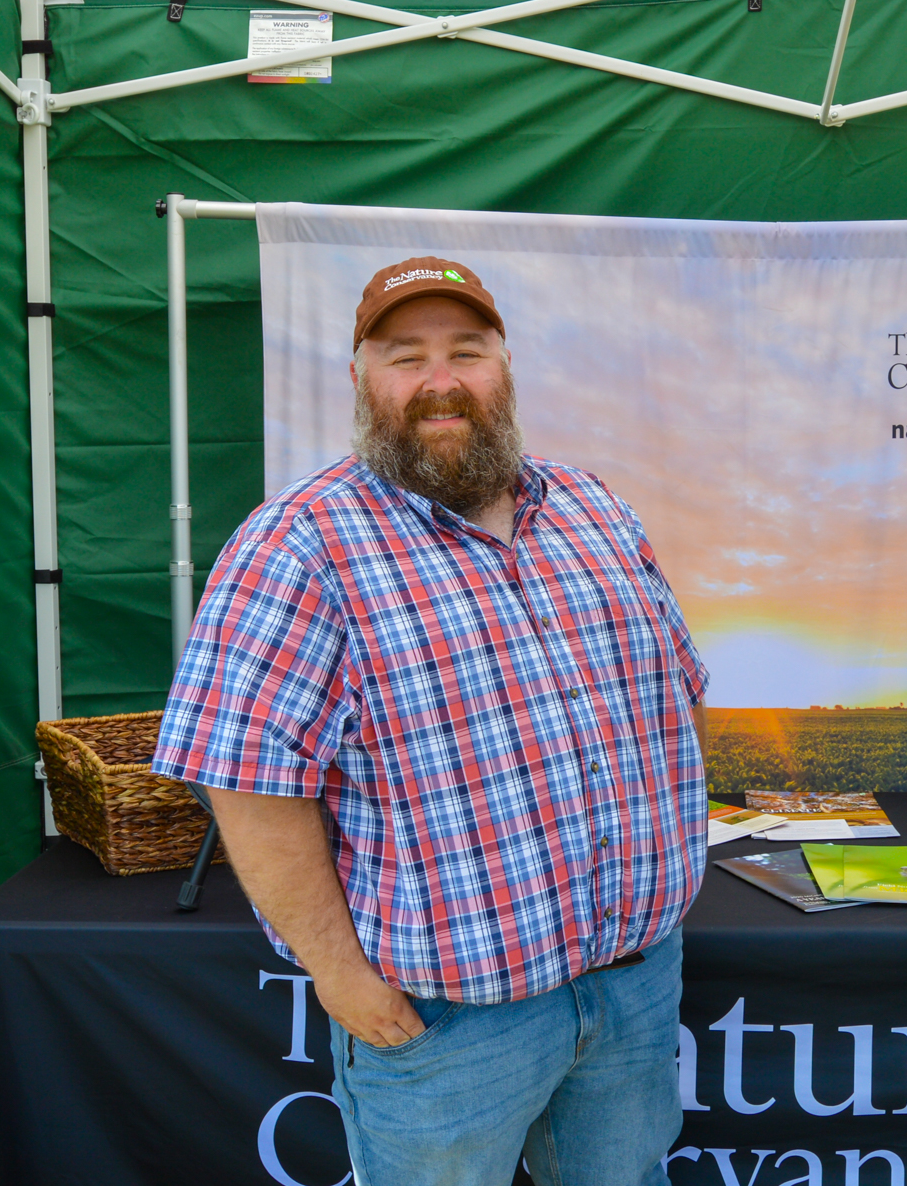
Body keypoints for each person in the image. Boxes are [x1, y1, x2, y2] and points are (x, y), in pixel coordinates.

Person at [151, 256, 709, 1186]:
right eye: (405, 356)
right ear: (362, 380)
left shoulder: (596, 509)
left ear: (507, 366)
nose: (441, 380)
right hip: (449, 1022)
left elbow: (675, 690)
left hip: (634, 982)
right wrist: (337, 972)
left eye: (467, 351)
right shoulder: (300, 545)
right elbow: (247, 780)